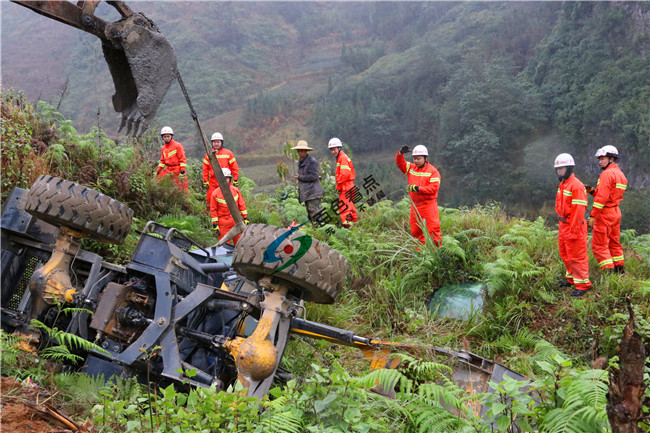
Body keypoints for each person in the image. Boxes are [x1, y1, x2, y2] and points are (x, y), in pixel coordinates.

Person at [554, 153, 591, 297]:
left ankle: (583, 284)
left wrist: (574, 231)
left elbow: (578, 211)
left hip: (574, 224)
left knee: (577, 255)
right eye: (557, 168)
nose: (558, 171)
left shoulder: (576, 186)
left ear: (568, 168)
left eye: (561, 168)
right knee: (565, 253)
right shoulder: (563, 184)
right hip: (563, 224)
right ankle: (571, 278)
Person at [587, 145, 627, 273]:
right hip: (615, 212)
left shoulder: (606, 174)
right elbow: (610, 195)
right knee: (614, 242)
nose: (600, 161)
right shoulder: (620, 174)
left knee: (599, 245)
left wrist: (592, 215)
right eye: (599, 159)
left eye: (602, 158)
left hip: (605, 213)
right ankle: (619, 268)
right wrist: (593, 191)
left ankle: (608, 272)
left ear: (611, 159)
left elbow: (602, 199)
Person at [395, 144, 441, 246]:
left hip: (428, 207)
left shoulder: (433, 172)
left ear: (425, 158)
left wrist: (418, 189)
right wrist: (400, 153)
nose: (415, 161)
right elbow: (400, 163)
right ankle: (419, 255)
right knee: (416, 232)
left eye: (418, 159)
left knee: (433, 232)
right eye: (414, 159)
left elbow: (433, 189)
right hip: (415, 207)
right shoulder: (411, 168)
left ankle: (436, 256)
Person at [210, 168, 248, 246]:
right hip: (223, 223)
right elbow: (213, 209)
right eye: (223, 178)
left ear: (230, 179)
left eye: (227, 178)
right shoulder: (215, 193)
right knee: (224, 246)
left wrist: (245, 218)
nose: (225, 180)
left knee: (239, 244)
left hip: (236, 221)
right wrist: (215, 224)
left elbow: (241, 204)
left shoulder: (235, 191)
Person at [203, 132, 240, 210]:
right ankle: (209, 218)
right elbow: (205, 169)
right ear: (212, 143)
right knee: (210, 199)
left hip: (226, 181)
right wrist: (205, 180)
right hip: (213, 182)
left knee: (229, 200)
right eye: (214, 142)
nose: (216, 144)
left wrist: (235, 179)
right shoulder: (208, 154)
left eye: (218, 142)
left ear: (221, 142)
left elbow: (234, 167)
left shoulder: (228, 153)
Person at [328, 137, 358, 228]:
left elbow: (344, 175)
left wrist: (338, 186)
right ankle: (354, 227)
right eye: (331, 150)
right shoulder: (341, 157)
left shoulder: (342, 158)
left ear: (339, 148)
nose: (333, 151)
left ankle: (347, 230)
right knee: (350, 207)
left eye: (334, 149)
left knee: (344, 208)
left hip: (346, 187)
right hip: (349, 186)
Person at [292, 140, 323, 222]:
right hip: (307, 194)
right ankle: (316, 233)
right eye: (298, 151)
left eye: (301, 151)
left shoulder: (312, 162)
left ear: (305, 151)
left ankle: (322, 233)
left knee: (317, 216)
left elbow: (314, 176)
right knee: (311, 216)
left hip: (313, 193)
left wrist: (300, 177)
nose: (299, 153)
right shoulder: (301, 162)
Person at [156, 126, 188, 192]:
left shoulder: (177, 146)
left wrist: (182, 171)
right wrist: (158, 170)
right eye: (165, 137)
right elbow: (162, 161)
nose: (166, 138)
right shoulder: (163, 148)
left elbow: (182, 159)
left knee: (181, 188)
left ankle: (185, 201)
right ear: (162, 137)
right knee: (157, 181)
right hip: (168, 169)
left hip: (177, 169)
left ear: (171, 136)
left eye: (168, 136)